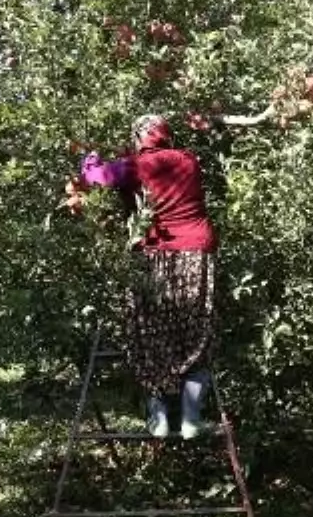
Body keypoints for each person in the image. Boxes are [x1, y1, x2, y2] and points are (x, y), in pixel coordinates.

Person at [81, 114, 219, 439]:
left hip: (152, 255)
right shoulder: (189, 160)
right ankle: (190, 419)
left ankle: (157, 419)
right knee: (198, 334)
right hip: (195, 251)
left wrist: (89, 158)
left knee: (147, 333)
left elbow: (96, 178)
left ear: (138, 138)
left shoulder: (134, 166)